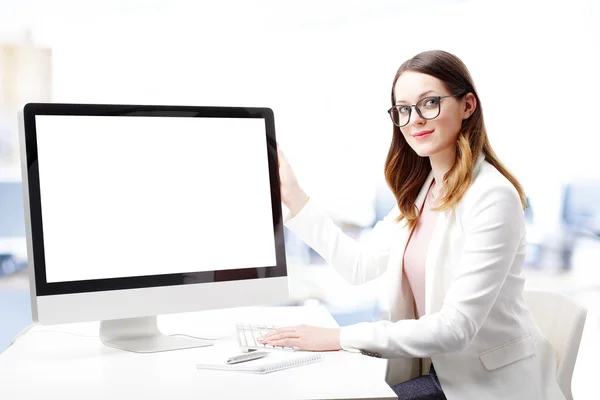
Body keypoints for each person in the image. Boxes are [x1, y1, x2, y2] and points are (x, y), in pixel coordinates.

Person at [257, 50, 566, 400]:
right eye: (403, 109)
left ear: (468, 105)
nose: (414, 119)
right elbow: (359, 266)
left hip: (491, 388)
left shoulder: (493, 196)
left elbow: (455, 328)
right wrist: (294, 196)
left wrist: (339, 338)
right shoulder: (425, 191)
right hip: (443, 375)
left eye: (429, 103)